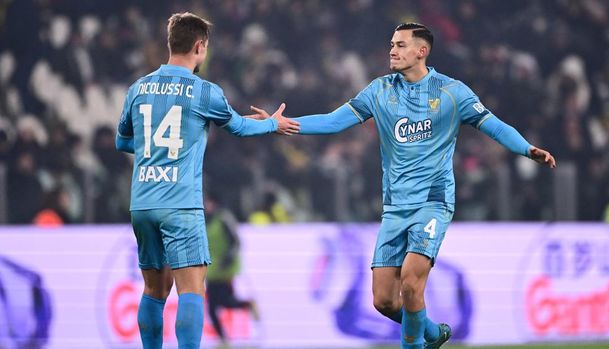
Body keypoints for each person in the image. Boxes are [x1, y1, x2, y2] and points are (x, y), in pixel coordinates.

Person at [254, 23, 556, 349]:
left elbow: (494, 126)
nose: (392, 51)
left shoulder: (452, 92)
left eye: (400, 45)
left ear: (421, 51)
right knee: (383, 301)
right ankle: (431, 332)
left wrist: (527, 149)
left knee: (412, 282)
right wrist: (280, 124)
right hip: (395, 208)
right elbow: (332, 121)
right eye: (391, 44)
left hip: (433, 201)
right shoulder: (379, 91)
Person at [115, 12, 299, 349]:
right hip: (180, 204)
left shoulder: (138, 88)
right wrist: (272, 123)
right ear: (200, 47)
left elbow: (122, 140)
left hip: (142, 202)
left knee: (154, 291)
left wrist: (154, 152)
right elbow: (240, 128)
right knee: (191, 289)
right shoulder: (203, 92)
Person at [204, 195, 258, 345]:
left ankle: (223, 340)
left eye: (208, 202)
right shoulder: (206, 221)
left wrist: (228, 259)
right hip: (212, 268)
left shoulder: (223, 219)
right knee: (222, 303)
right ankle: (246, 305)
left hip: (224, 269)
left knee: (214, 306)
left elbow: (235, 242)